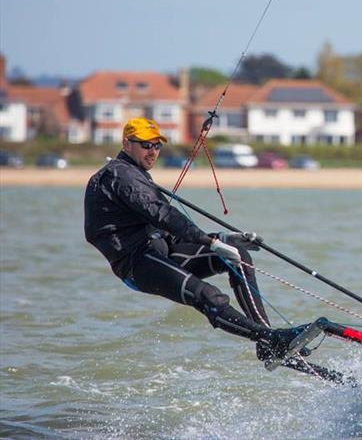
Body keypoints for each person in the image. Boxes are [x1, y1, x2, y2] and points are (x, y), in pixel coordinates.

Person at [84, 117, 304, 363]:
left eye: (158, 146)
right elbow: (162, 214)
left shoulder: (136, 175)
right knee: (207, 295)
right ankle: (268, 338)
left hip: (163, 251)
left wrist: (221, 238)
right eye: (146, 145)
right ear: (127, 144)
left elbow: (168, 230)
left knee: (238, 257)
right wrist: (208, 242)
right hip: (138, 263)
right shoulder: (119, 176)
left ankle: (268, 340)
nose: (153, 152)